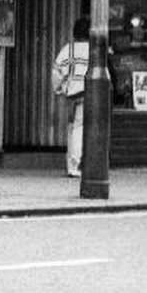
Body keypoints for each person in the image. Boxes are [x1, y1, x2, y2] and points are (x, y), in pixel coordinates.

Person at [52, 14, 91, 178]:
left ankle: (71, 164)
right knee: (80, 129)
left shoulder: (69, 49)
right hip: (89, 93)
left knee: (72, 128)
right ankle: (75, 165)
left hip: (72, 94)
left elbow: (56, 72)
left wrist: (59, 89)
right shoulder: (94, 49)